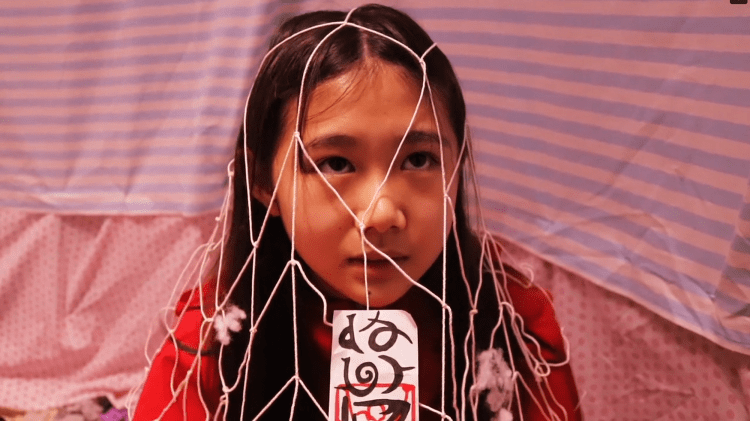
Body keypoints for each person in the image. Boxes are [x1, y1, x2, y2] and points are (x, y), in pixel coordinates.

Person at [132, 4, 581, 421]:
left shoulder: (516, 325)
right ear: (264, 182)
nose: (382, 214)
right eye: (335, 164)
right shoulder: (214, 339)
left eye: (419, 160)